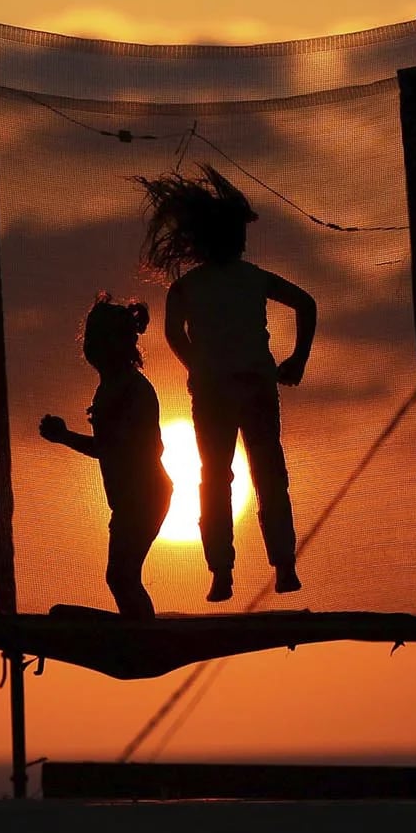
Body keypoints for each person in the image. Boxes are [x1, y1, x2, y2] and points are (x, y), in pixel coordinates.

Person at [137, 164, 316, 603]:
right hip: (247, 387)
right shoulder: (242, 279)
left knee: (220, 479)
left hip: (226, 390)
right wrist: (296, 359)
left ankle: (231, 571)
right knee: (263, 475)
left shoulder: (191, 286)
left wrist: (196, 363)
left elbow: (174, 333)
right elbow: (305, 304)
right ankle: (272, 566)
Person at [38, 296, 174, 619]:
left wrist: (65, 437)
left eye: (97, 338)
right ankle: (137, 628)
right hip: (130, 500)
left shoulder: (133, 390)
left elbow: (121, 449)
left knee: (121, 576)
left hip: (146, 496)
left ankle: (142, 634)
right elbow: (110, 448)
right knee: (121, 577)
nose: (91, 346)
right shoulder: (109, 388)